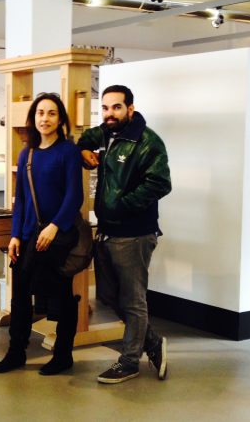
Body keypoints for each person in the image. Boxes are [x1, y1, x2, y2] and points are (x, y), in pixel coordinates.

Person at [77, 84, 172, 384]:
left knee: (133, 299)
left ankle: (130, 361)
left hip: (134, 232)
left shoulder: (147, 141)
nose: (110, 113)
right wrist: (83, 150)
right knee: (108, 296)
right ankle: (152, 342)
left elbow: (160, 183)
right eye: (105, 108)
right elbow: (84, 138)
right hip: (107, 231)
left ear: (130, 108)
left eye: (116, 107)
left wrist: (121, 206)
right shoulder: (107, 133)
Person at [0, 92, 83, 376]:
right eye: (40, 113)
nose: (45, 118)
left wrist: (55, 227)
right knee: (19, 295)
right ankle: (16, 352)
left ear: (60, 119)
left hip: (57, 237)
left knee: (61, 295)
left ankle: (63, 355)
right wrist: (15, 235)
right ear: (33, 118)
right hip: (28, 236)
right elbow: (20, 199)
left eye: (52, 113)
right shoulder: (27, 153)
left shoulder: (68, 151)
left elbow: (74, 196)